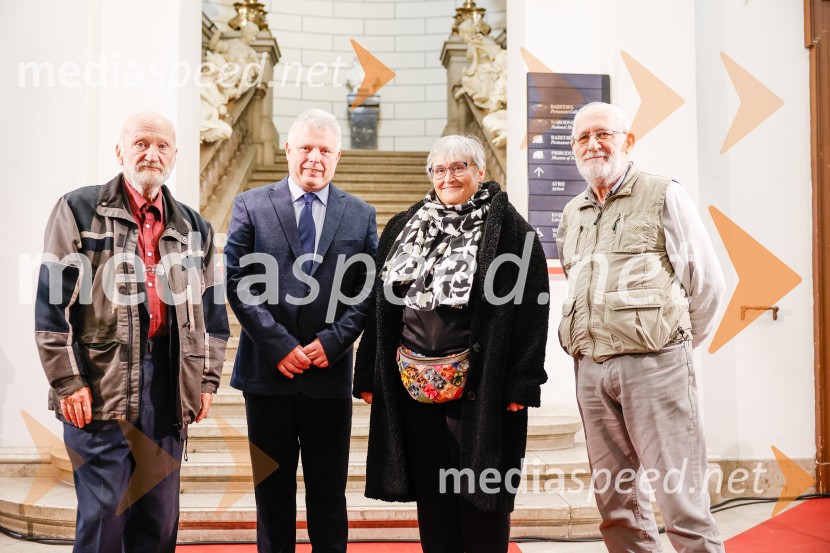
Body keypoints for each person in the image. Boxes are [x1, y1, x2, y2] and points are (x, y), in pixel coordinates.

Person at [34, 111, 230, 552]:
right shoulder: (78, 209)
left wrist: (206, 381)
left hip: (167, 385)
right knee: (104, 519)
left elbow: (213, 317)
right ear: (120, 150)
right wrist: (67, 382)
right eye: (141, 143)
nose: (151, 154)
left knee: (159, 522)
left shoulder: (194, 227)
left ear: (175, 156)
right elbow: (51, 307)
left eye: (162, 146)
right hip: (100, 384)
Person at [353, 134, 550, 553]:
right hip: (413, 389)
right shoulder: (403, 225)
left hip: (481, 387)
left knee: (482, 493)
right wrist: (368, 371)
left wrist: (523, 382)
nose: (449, 177)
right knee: (432, 493)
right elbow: (380, 307)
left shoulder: (513, 232)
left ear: (480, 171)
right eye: (439, 169)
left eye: (460, 167)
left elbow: (533, 312)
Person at [556, 102, 726, 552]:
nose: (593, 144)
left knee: (681, 502)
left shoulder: (663, 193)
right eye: (582, 138)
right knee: (617, 507)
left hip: (656, 366)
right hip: (591, 370)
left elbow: (707, 283)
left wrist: (673, 345)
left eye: (603, 134)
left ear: (627, 141)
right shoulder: (572, 212)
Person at [225, 108, 377, 552]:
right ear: (288, 149)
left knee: (328, 495)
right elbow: (237, 280)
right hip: (267, 374)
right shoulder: (252, 205)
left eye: (325, 150)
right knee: (272, 496)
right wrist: (278, 345)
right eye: (306, 147)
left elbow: (369, 288)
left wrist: (334, 341)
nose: (315, 158)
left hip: (328, 375)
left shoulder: (360, 214)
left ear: (338, 156)